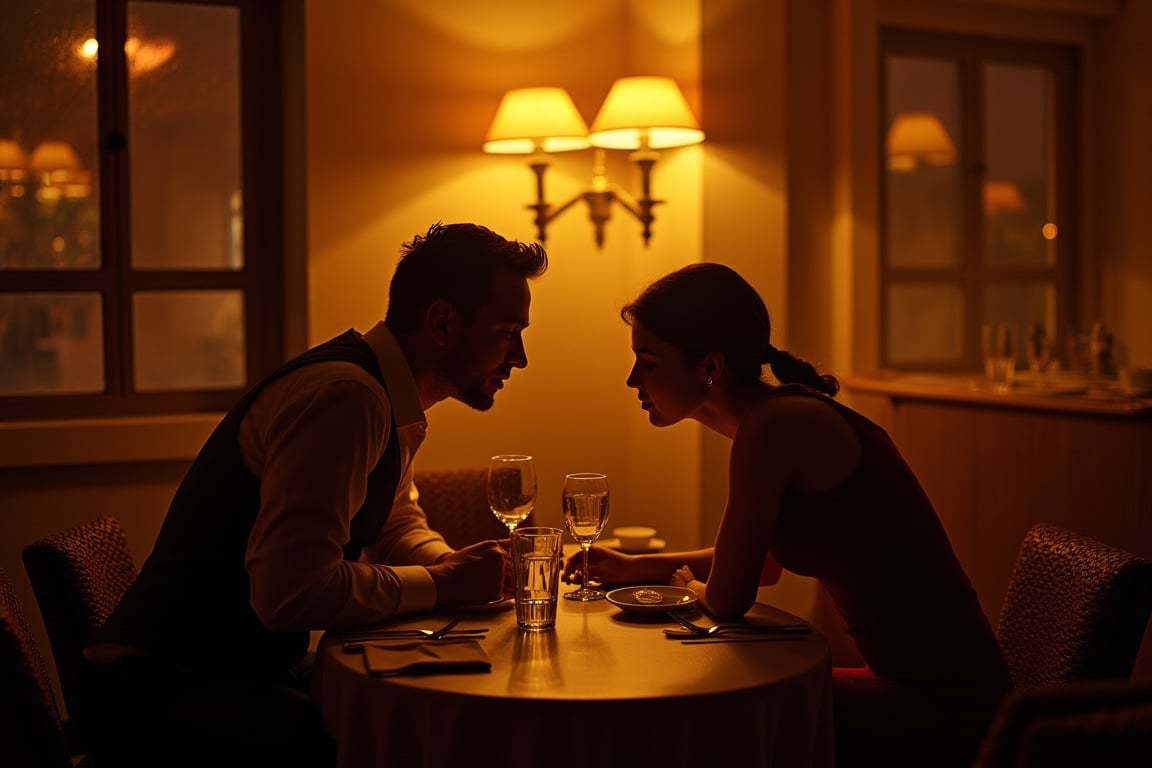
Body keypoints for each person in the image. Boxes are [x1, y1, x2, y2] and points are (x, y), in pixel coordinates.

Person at [83, 222, 548, 767]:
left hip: (227, 665)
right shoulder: (347, 398)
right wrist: (442, 585)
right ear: (443, 322)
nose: (520, 357)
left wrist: (454, 567)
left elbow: (396, 522)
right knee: (377, 737)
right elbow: (289, 593)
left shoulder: (384, 393)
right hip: (158, 688)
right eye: (507, 331)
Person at [563, 262, 1011, 767]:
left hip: (942, 708)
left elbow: (729, 599)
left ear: (710, 365)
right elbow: (761, 567)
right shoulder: (776, 419)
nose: (630, 380)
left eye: (646, 363)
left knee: (709, 716)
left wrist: (690, 588)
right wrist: (632, 566)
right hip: (914, 683)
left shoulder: (776, 427)